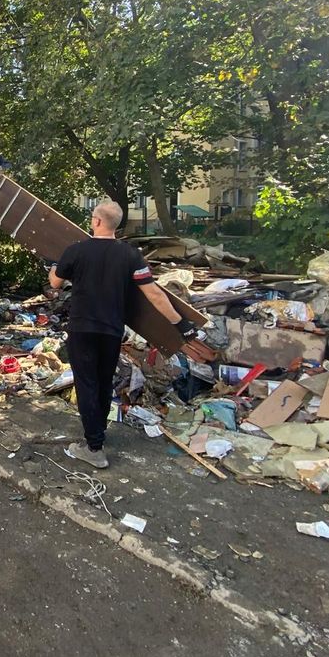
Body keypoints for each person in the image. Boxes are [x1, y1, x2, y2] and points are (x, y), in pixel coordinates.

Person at [48, 200, 196, 469]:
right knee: (104, 383)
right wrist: (181, 322)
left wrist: (54, 266)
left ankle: (93, 447)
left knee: (86, 386)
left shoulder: (76, 251)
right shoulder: (130, 255)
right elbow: (153, 293)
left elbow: (55, 282)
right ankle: (97, 438)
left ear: (96, 221)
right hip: (111, 330)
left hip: (83, 329)